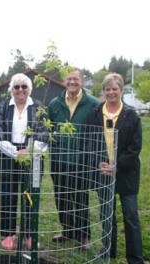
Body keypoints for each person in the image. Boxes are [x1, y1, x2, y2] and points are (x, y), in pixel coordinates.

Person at [88, 73, 144, 263]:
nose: (111, 92)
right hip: (103, 173)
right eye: (107, 89)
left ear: (121, 90)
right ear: (104, 91)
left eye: (115, 88)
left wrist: (118, 166)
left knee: (130, 216)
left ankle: (135, 258)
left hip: (126, 173)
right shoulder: (96, 112)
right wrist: (99, 162)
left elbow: (135, 146)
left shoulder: (131, 114)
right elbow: (90, 142)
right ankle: (107, 251)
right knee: (106, 215)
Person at [0, 73, 48, 251]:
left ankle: (29, 234)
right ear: (11, 89)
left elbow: (44, 134)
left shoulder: (38, 107)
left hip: (31, 157)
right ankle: (8, 234)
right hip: (7, 156)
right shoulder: (3, 107)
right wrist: (15, 153)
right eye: (16, 87)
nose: (20, 90)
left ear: (29, 89)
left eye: (24, 86)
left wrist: (30, 151)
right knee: (7, 195)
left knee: (30, 196)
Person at [48, 68, 98, 250]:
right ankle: (67, 230)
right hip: (59, 158)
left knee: (79, 198)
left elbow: (96, 132)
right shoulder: (55, 103)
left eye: (76, 79)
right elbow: (48, 129)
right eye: (69, 79)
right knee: (61, 197)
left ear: (82, 81)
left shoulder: (92, 103)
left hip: (80, 160)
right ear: (64, 81)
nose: (72, 82)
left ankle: (83, 235)